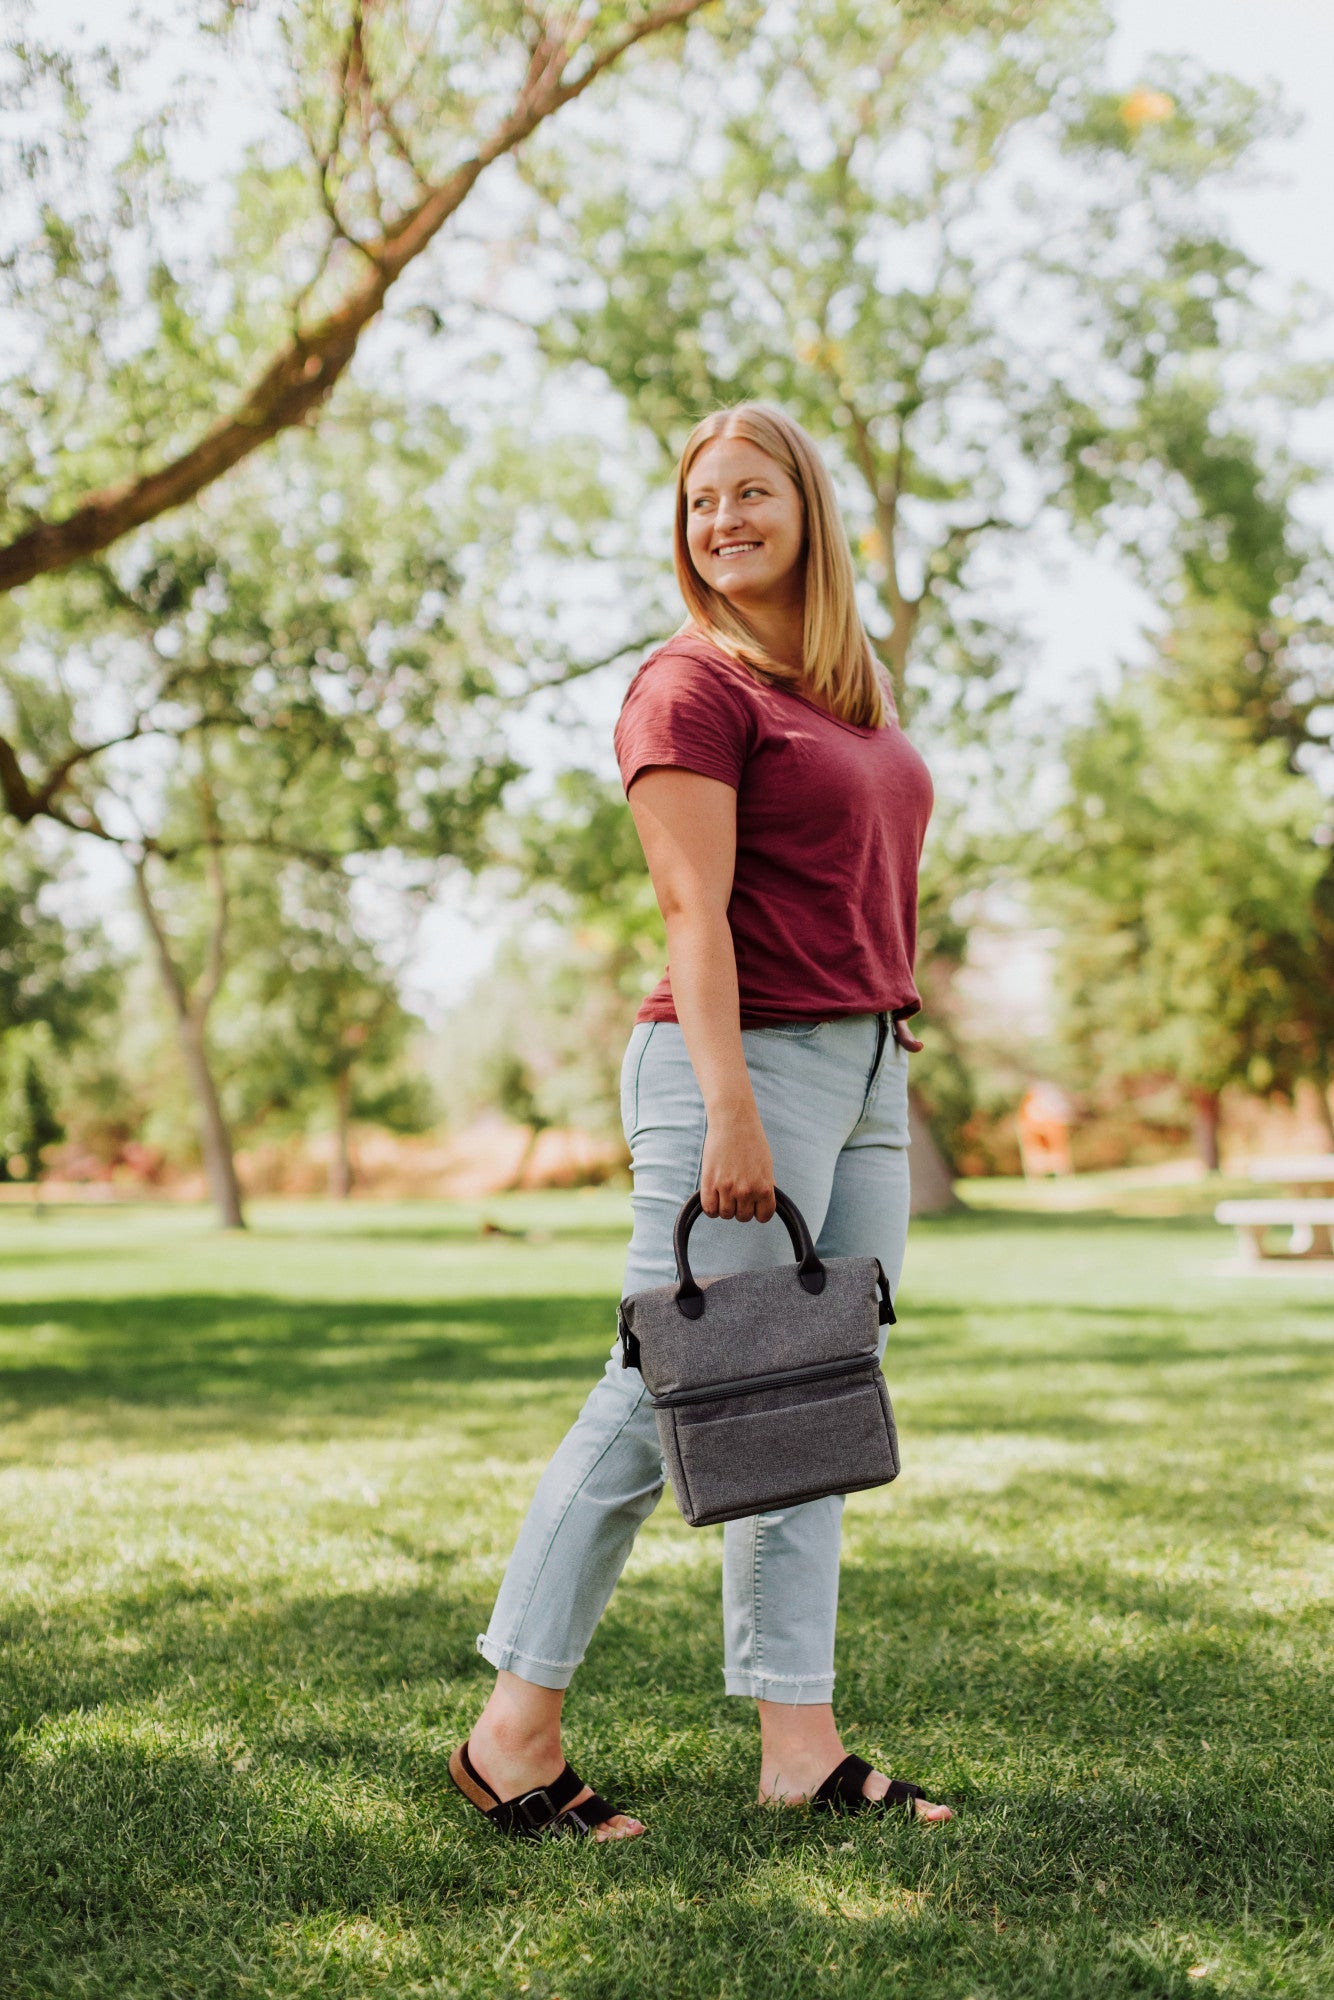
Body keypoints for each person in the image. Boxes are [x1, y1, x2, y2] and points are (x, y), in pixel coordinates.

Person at [450, 402, 950, 1841]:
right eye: (697, 502)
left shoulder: (843, 695)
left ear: (807, 507)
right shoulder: (689, 685)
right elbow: (691, 912)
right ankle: (510, 1732)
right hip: (738, 1067)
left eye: (748, 493)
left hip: (861, 1067)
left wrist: (875, 1048)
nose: (719, 519)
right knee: (661, 1385)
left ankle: (798, 1744)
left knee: (814, 1400)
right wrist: (731, 1106)